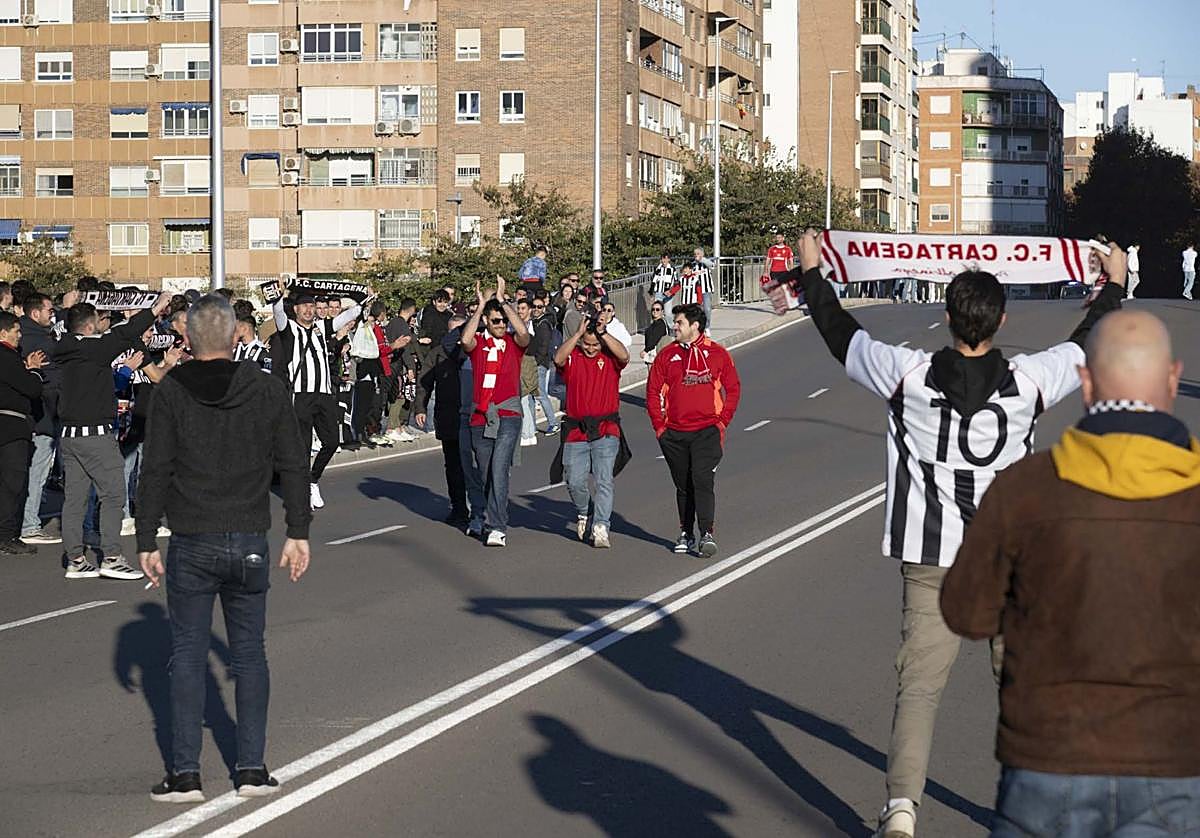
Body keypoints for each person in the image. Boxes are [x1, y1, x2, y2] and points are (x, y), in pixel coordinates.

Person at [775, 229, 1126, 838]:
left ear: (945, 318)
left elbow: (842, 335)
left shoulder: (907, 376)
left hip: (931, 559)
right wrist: (1114, 282)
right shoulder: (1027, 383)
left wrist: (812, 272)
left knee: (919, 690)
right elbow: (1086, 343)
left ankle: (903, 810)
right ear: (1001, 320)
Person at [941, 309, 1200, 836]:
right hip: (1173, 756)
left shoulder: (1025, 489)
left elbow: (966, 613)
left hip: (1047, 756)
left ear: (1086, 383)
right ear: (1173, 378)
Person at [136, 294, 311, 804]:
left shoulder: (170, 392)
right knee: (250, 655)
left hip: (192, 537)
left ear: (186, 339)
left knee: (188, 655)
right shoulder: (266, 388)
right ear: (237, 335)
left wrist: (147, 538)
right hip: (250, 536)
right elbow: (294, 463)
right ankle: (252, 769)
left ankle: (185, 775)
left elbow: (156, 469)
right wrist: (297, 531)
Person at [55, 294, 169, 580]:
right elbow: (126, 332)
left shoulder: (62, 346)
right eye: (100, 321)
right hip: (95, 434)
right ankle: (112, 557)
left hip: (68, 436)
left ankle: (76, 559)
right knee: (113, 493)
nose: (104, 326)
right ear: (90, 327)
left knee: (75, 499)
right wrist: (154, 308)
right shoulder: (93, 349)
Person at [646, 303, 741, 558]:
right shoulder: (667, 355)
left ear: (694, 326)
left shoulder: (718, 354)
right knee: (683, 485)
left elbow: (733, 389)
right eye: (675, 322)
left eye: (679, 323)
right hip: (674, 433)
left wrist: (722, 421)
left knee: (702, 479)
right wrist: (659, 427)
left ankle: (706, 532)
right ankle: (685, 533)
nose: (674, 326)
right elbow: (652, 391)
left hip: (707, 430)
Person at [270, 287, 359, 509]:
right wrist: (280, 295)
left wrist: (361, 299)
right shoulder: (289, 328)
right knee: (303, 445)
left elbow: (347, 317)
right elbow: (278, 313)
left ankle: (313, 480)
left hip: (325, 394)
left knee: (331, 441)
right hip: (301, 395)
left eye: (312, 306)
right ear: (297, 309)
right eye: (305, 307)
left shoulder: (321, 327)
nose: (309, 310)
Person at [550, 311, 631, 548]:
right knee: (574, 481)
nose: (591, 348)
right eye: (587, 344)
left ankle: (601, 526)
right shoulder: (573, 356)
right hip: (577, 430)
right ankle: (585, 512)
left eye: (595, 344)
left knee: (604, 480)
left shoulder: (610, 358)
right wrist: (577, 335)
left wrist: (603, 333)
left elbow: (624, 355)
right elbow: (558, 358)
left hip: (606, 428)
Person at [460, 278, 531, 547]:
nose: (501, 325)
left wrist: (503, 301)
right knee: (487, 472)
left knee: (500, 468)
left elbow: (523, 332)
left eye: (503, 321)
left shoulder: (514, 343)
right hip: (480, 416)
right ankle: (492, 513)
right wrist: (480, 308)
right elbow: (465, 339)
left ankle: (497, 526)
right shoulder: (479, 343)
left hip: (508, 415)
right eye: (496, 321)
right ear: (487, 323)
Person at [415, 315, 471, 527]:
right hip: (448, 417)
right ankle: (459, 509)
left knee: (474, 465)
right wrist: (420, 407)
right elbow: (424, 382)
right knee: (453, 466)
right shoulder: (437, 354)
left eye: (460, 331)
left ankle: (478, 508)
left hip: (473, 417)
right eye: (452, 332)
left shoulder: (474, 351)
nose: (455, 337)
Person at [18, 292, 62, 545]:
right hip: (42, 417)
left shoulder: (26, 337)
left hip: (28, 417)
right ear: (35, 313)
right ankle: (30, 525)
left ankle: (24, 522)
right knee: (37, 473)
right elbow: (50, 384)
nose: (52, 315)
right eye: (49, 311)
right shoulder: (42, 343)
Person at [0, 311, 45, 555]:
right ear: (3, 332)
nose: (20, 335)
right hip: (11, 427)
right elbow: (31, 388)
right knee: (12, 484)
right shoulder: (7, 356)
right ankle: (6, 535)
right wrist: (34, 370)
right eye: (16, 330)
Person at [384, 297, 418, 443]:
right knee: (400, 396)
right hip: (399, 365)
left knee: (397, 395)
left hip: (392, 364)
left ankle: (398, 427)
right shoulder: (401, 324)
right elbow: (404, 348)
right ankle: (392, 427)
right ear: (411, 309)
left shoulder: (392, 323)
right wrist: (410, 367)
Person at [528, 295, 560, 437]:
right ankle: (532, 425)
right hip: (533, 363)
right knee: (530, 396)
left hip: (539, 364)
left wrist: (536, 362)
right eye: (534, 306)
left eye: (539, 307)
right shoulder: (534, 322)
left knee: (540, 394)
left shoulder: (544, 324)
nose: (536, 309)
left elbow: (544, 346)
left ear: (544, 308)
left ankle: (553, 423)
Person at [650, 254, 677, 320]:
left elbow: (677, 282)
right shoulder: (657, 268)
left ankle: (671, 329)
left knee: (668, 314)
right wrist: (652, 293)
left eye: (666, 258)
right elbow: (653, 281)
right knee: (657, 313)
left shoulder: (672, 269)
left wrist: (671, 291)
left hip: (668, 294)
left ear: (669, 260)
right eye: (663, 259)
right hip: (658, 293)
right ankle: (658, 328)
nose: (664, 260)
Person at [642, 299, 668, 365]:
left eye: (657, 309)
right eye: (653, 309)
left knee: (653, 374)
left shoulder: (660, 324)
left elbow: (654, 339)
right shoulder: (655, 323)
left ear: (662, 311)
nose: (655, 311)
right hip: (653, 352)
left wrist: (645, 351)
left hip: (655, 353)